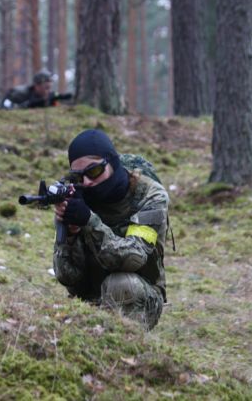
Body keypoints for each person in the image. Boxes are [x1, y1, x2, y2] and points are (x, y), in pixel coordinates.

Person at [52, 129, 168, 329]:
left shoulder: (150, 196)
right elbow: (67, 276)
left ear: (112, 163)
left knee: (121, 284)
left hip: (139, 296)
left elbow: (135, 257)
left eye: (94, 171)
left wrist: (89, 221)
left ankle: (128, 345)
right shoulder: (78, 196)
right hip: (90, 300)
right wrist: (69, 235)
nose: (87, 182)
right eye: (79, 176)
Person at [1, 70, 72, 109]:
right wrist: (28, 105)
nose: (48, 91)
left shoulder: (51, 95)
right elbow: (5, 105)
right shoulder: (20, 93)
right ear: (37, 85)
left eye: (49, 87)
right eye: (46, 87)